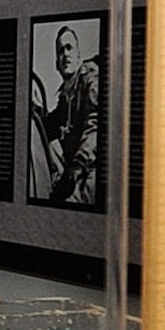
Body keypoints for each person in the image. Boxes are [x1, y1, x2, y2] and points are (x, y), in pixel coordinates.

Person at [37, 24, 99, 205]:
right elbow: (51, 126)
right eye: (60, 51)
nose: (65, 54)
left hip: (91, 168)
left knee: (73, 201)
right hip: (73, 169)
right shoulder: (65, 96)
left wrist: (78, 165)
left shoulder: (90, 80)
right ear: (57, 63)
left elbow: (96, 124)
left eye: (69, 48)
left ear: (79, 55)